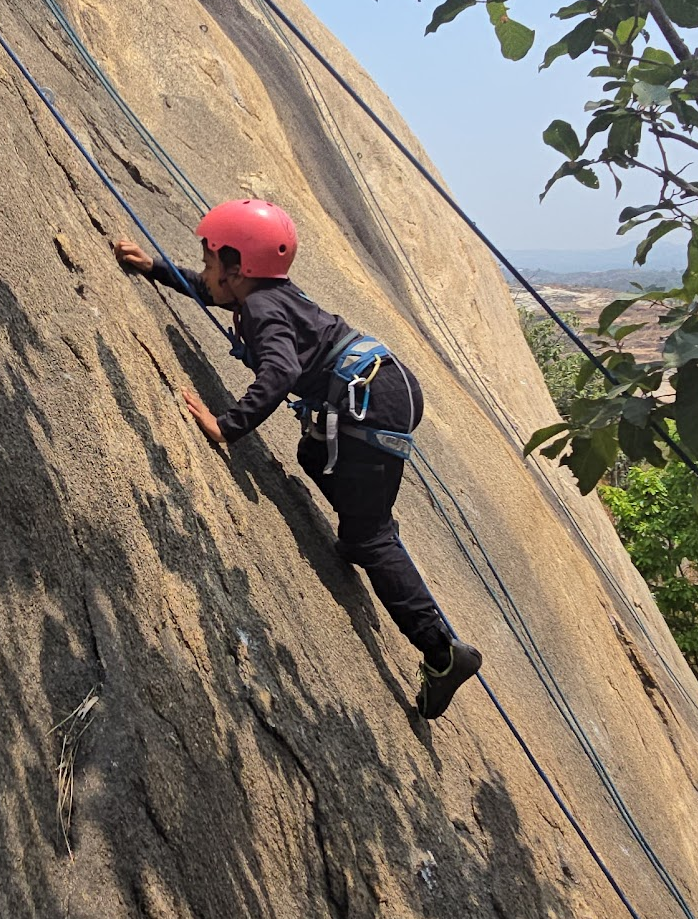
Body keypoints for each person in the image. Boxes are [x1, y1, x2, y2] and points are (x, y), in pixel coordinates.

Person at [114, 199, 483, 718]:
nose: (204, 269)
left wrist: (226, 426)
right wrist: (155, 267)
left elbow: (280, 372)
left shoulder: (261, 310)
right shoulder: (265, 294)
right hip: (382, 383)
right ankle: (363, 527)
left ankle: (442, 653)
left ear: (238, 268)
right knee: (313, 455)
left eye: (208, 259)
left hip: (366, 405)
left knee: (370, 535)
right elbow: (209, 293)